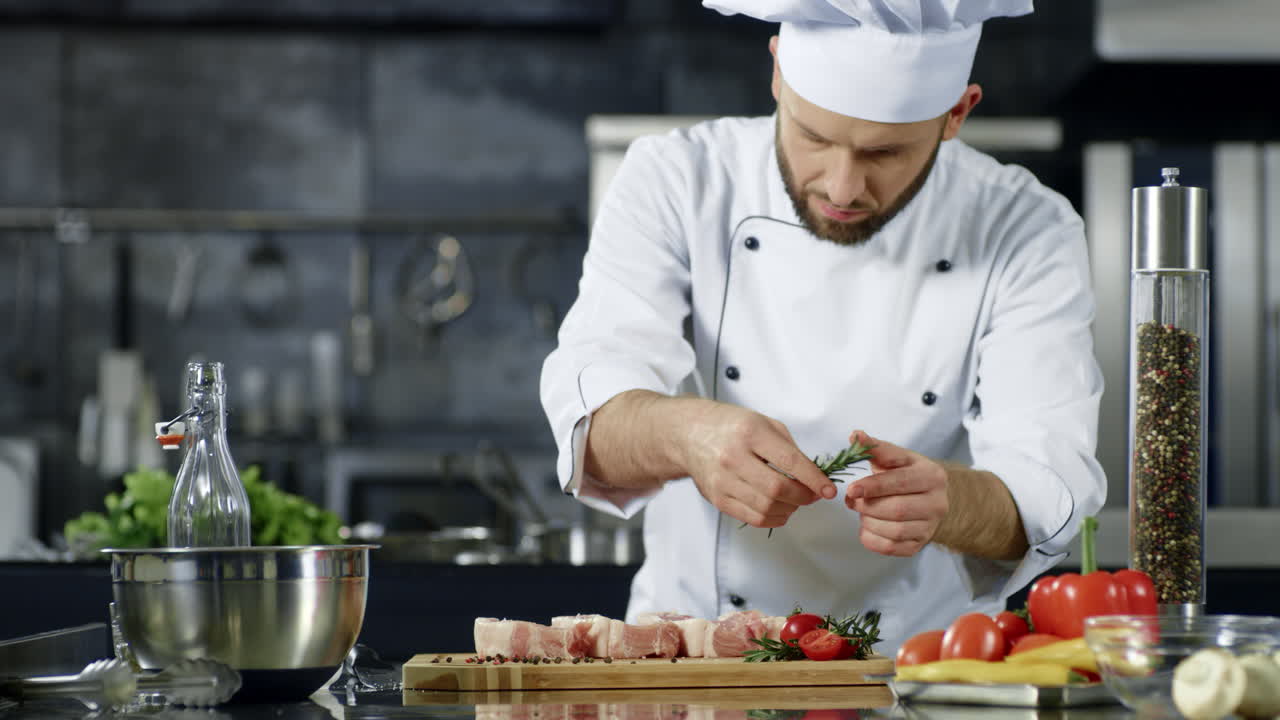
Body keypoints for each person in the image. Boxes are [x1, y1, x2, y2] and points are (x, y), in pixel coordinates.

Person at [540, 0, 1106, 655]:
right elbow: (591, 416)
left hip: (916, 670)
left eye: (885, 152)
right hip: (691, 660)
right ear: (778, 73)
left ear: (958, 112)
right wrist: (688, 434)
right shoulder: (677, 179)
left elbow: (1049, 483)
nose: (842, 185)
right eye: (813, 136)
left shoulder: (1026, 229)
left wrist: (950, 501)